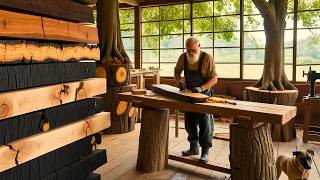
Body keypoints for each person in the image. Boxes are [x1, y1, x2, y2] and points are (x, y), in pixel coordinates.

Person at [174, 36, 218, 163]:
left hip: (203, 95)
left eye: (193, 50)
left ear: (199, 47)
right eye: (188, 50)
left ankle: (205, 152)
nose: (190, 53)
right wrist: (180, 81)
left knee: (205, 122)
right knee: (189, 121)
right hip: (189, 94)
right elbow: (177, 72)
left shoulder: (207, 58)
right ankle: (193, 148)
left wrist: (202, 88)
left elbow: (214, 78)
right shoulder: (183, 57)